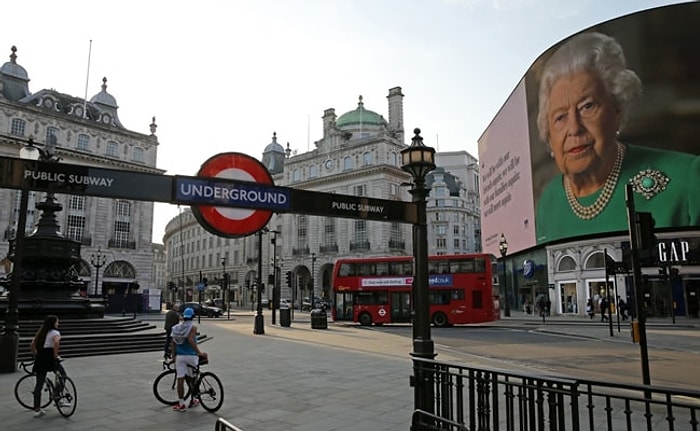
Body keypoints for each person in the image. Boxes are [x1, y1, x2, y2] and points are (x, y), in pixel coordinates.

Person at [535, 32, 700, 244]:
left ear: (617, 109)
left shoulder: (687, 179)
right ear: (549, 134)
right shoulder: (549, 200)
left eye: (587, 106)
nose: (574, 128)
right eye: (560, 117)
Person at [170, 307, 208, 412]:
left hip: (180, 357)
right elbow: (191, 340)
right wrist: (200, 352)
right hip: (191, 356)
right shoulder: (193, 327)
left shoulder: (175, 328)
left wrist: (173, 357)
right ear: (193, 316)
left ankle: (181, 404)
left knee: (180, 380)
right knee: (193, 379)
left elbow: (172, 343)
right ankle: (194, 399)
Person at [29, 315, 65, 418]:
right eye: (57, 322)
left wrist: (36, 354)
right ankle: (57, 396)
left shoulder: (41, 332)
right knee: (62, 375)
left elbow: (32, 344)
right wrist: (55, 355)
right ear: (53, 323)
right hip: (50, 357)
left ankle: (37, 409)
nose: (58, 324)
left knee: (39, 384)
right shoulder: (55, 333)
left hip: (40, 357)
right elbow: (56, 342)